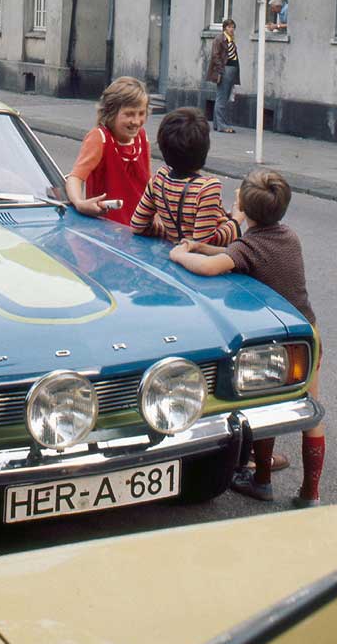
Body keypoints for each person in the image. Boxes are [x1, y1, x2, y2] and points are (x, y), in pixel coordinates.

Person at [168, 169, 323, 506]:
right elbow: (230, 253)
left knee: (265, 407)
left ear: (243, 209)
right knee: (311, 410)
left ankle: (262, 480)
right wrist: (203, 246)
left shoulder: (248, 246)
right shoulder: (288, 237)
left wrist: (181, 254)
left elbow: (215, 266)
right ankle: (311, 493)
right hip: (308, 333)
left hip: (274, 341)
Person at [130, 108, 237, 246]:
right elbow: (203, 245)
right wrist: (237, 220)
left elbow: (138, 226)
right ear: (205, 148)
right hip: (202, 265)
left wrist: (170, 235)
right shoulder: (207, 188)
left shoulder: (158, 180)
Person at [64, 77, 150, 228]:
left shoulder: (141, 137)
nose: (136, 121)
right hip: (107, 229)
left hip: (139, 229)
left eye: (141, 113)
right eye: (129, 114)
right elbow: (76, 177)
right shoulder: (99, 138)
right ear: (111, 113)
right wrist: (79, 202)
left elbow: (147, 183)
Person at [206, 19, 240, 132]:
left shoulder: (230, 39)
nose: (232, 29)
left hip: (232, 70)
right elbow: (215, 56)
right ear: (225, 28)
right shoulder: (219, 39)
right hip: (225, 70)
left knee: (224, 98)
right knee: (222, 98)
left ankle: (218, 124)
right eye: (229, 27)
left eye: (233, 27)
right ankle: (222, 125)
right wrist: (221, 71)